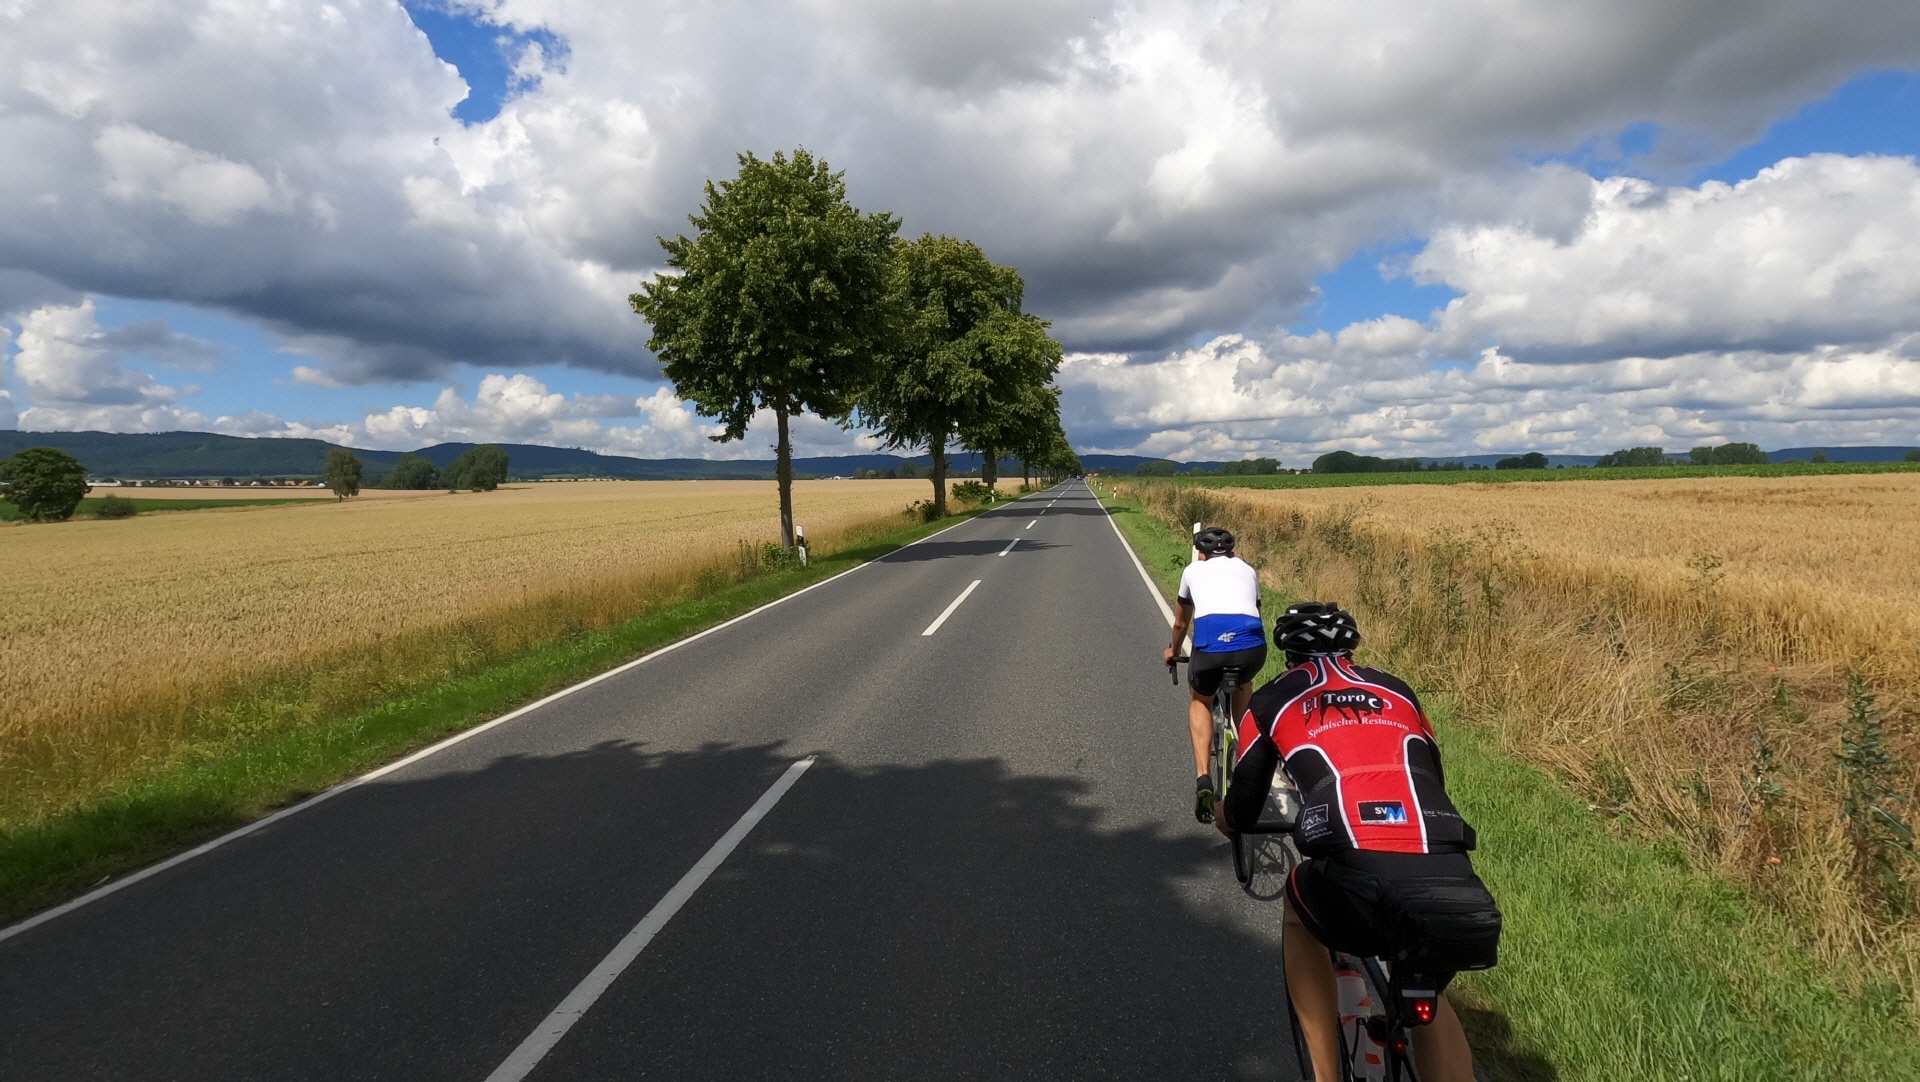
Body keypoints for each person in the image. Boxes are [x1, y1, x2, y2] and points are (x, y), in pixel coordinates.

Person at [1217, 602, 1500, 1082]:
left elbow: (1243, 808)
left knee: (1298, 905)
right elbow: (1433, 777)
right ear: (1352, 648)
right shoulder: (1398, 691)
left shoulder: (1270, 700)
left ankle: (1325, 1075)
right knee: (1428, 981)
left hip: (1358, 871)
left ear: (1288, 654)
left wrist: (1225, 819)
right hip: (1455, 881)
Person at [1162, 525, 1266, 823]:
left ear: (1202, 554)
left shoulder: (1192, 571)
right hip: (1251, 647)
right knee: (1243, 683)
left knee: (1201, 701)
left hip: (1211, 647)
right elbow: (1256, 611)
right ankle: (1247, 753)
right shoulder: (1248, 569)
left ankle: (1204, 777)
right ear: (1231, 552)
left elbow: (1181, 624)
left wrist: (1172, 650)